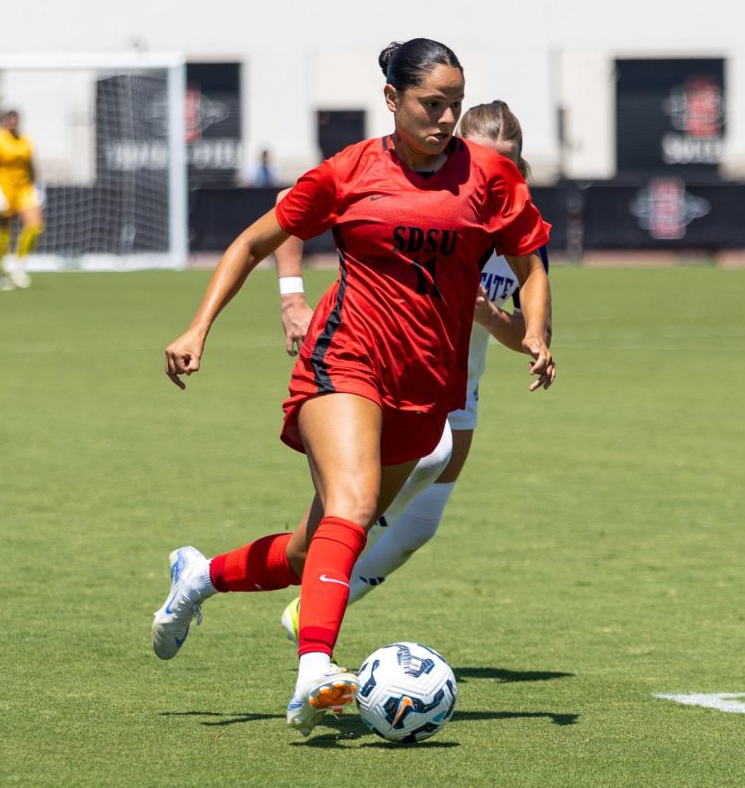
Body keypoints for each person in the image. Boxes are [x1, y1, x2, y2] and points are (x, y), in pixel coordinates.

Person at [153, 38, 554, 737]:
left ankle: (201, 575)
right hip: (343, 358)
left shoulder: (488, 177)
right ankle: (315, 670)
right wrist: (198, 328)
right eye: (433, 103)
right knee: (355, 500)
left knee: (319, 546)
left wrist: (538, 332)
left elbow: (532, 266)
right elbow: (252, 241)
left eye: (456, 103)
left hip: (425, 387)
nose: (447, 116)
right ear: (392, 100)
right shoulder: (350, 172)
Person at [274, 100, 549, 640]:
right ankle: (325, 596)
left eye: (511, 163)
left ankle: (313, 600)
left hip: (460, 389)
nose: (498, 173)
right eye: (484, 158)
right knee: (411, 468)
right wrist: (291, 299)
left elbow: (528, 334)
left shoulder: (519, 229)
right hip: (383, 375)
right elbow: (288, 206)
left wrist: (490, 314)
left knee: (421, 525)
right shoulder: (422, 197)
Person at [0, 110, 45, 290]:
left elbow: (30, 164)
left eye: (15, 120)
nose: (12, 123)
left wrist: (36, 186)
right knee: (3, 229)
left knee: (35, 225)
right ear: (3, 121)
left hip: (23, 188)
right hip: (3, 189)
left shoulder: (25, 140)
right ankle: (0, 272)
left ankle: (19, 265)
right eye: (9, 120)